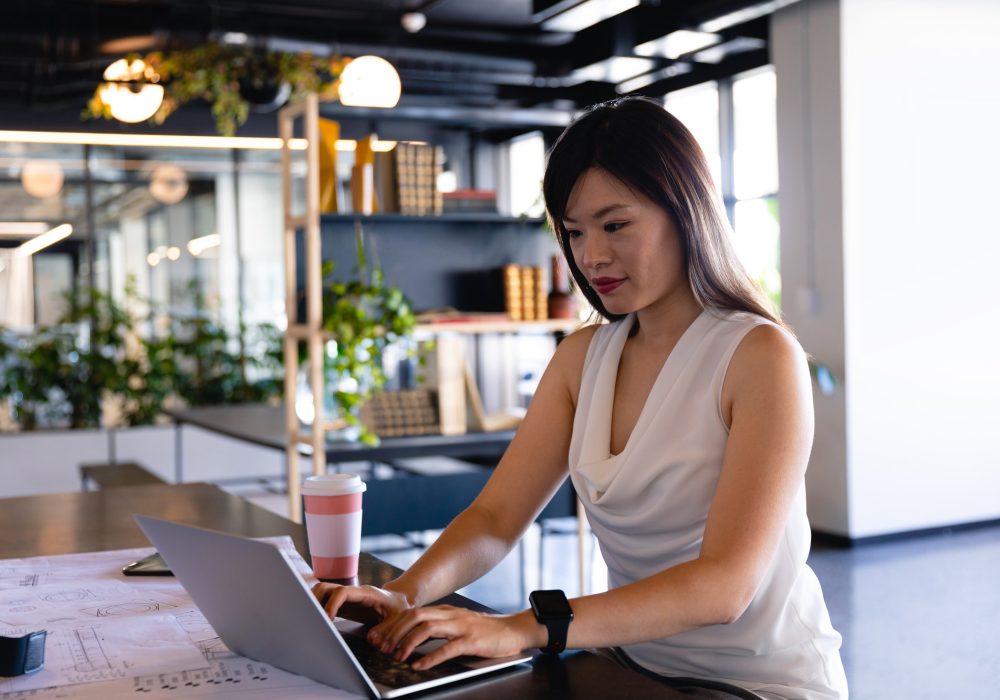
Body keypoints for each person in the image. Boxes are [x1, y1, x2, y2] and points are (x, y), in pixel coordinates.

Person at [313, 96, 848, 700]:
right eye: (573, 231)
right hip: (625, 668)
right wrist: (403, 595)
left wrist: (525, 627)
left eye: (615, 225)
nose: (591, 256)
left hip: (756, 683)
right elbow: (495, 519)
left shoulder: (759, 356)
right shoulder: (581, 357)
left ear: (685, 211)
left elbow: (723, 587)